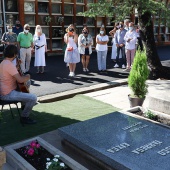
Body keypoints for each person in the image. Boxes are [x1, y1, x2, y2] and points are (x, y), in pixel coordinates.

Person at [0, 45, 37, 124]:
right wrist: (28, 76)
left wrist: (17, 67)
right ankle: (24, 117)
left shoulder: (4, 62)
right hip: (7, 94)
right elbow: (20, 79)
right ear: (14, 54)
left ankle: (24, 105)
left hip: (7, 90)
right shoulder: (9, 64)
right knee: (33, 98)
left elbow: (12, 73)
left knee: (27, 83)